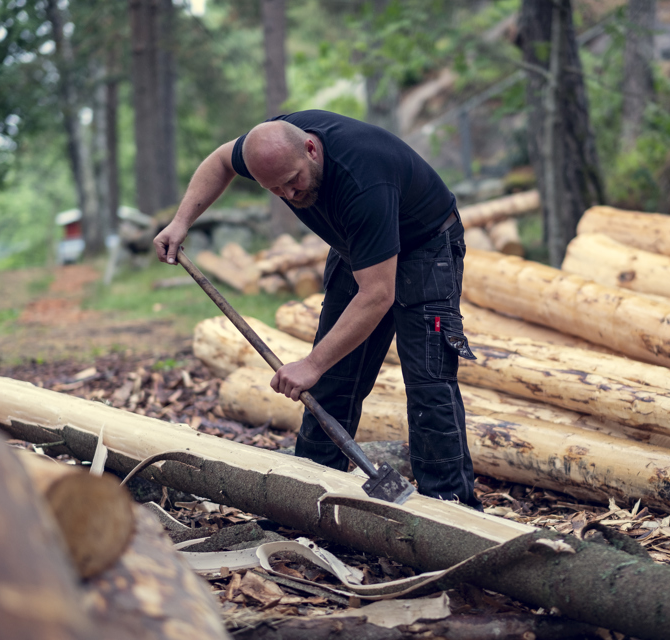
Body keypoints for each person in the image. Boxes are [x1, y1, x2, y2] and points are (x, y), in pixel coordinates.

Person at [154, 110, 482, 509]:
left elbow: (377, 295)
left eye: (293, 182)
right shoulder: (271, 148)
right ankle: (311, 496)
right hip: (356, 249)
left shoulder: (365, 180)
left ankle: (452, 510)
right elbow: (221, 160)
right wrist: (180, 222)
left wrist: (310, 363)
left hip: (425, 247)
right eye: (275, 190)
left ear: (311, 148)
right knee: (330, 382)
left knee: (429, 383)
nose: (290, 196)